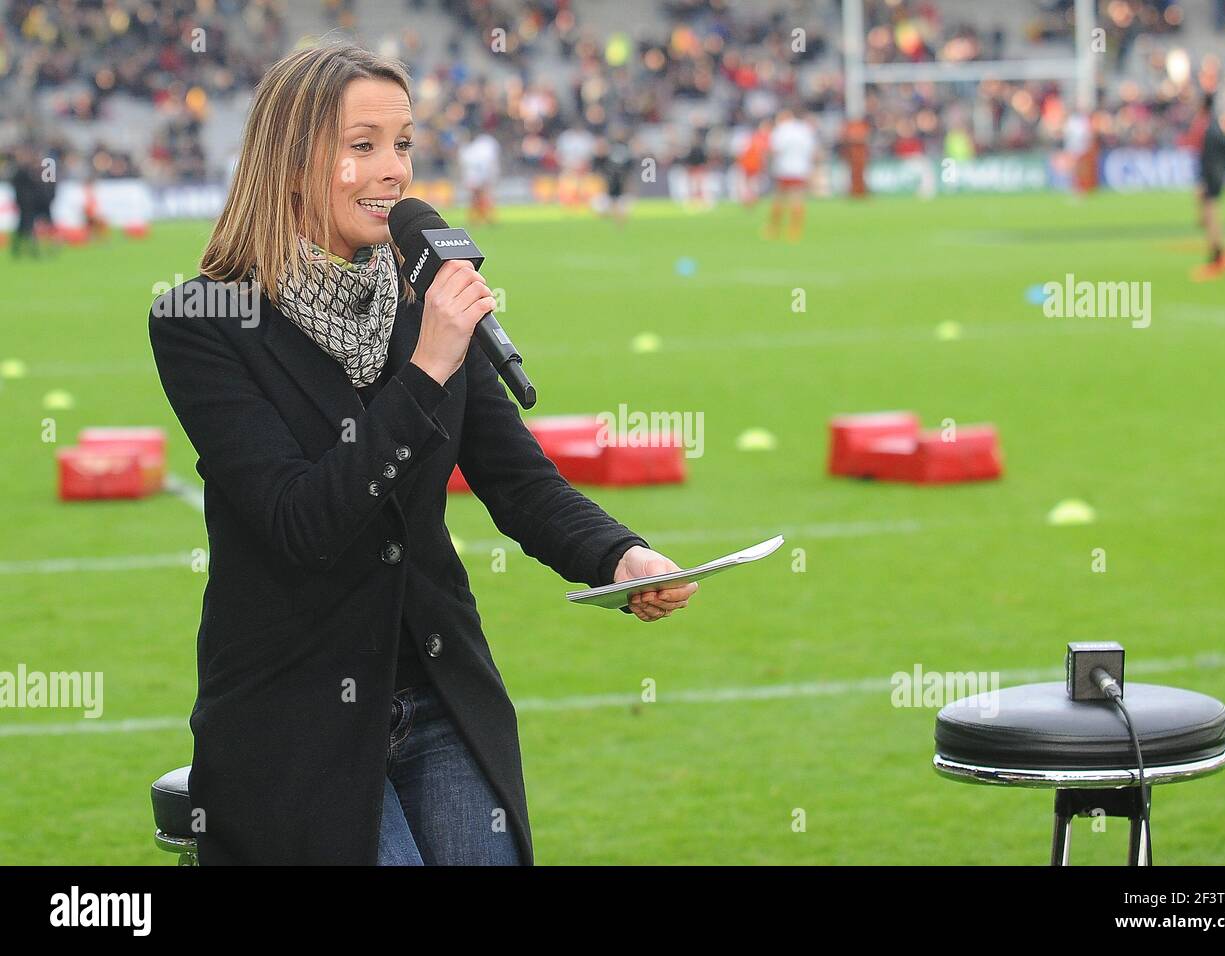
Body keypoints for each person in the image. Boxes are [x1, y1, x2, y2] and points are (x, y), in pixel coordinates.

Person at [148, 43, 699, 867]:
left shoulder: (422, 299)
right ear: (292, 160)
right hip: (294, 710)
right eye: (361, 144)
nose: (393, 169)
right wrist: (427, 365)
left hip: (439, 691)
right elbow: (303, 522)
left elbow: (516, 479)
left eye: (402, 144)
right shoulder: (204, 321)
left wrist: (616, 555)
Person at [1190, 92, 1225, 280]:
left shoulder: (1206, 126)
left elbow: (1208, 157)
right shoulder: (1213, 125)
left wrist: (1203, 181)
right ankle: (1218, 256)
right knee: (1208, 218)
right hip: (1214, 177)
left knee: (1211, 218)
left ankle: (1217, 259)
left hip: (1211, 178)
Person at [766, 107, 818, 241]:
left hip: (784, 168)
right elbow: (812, 151)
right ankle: (794, 230)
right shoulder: (804, 130)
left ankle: (774, 228)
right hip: (800, 169)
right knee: (798, 199)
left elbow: (775, 150)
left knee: (779, 199)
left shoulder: (781, 130)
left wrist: (768, 163)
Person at [459, 130, 499, 227]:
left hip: (477, 178)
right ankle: (481, 218)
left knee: (480, 198)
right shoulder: (470, 150)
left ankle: (483, 218)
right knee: (478, 198)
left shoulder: (470, 150)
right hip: (475, 178)